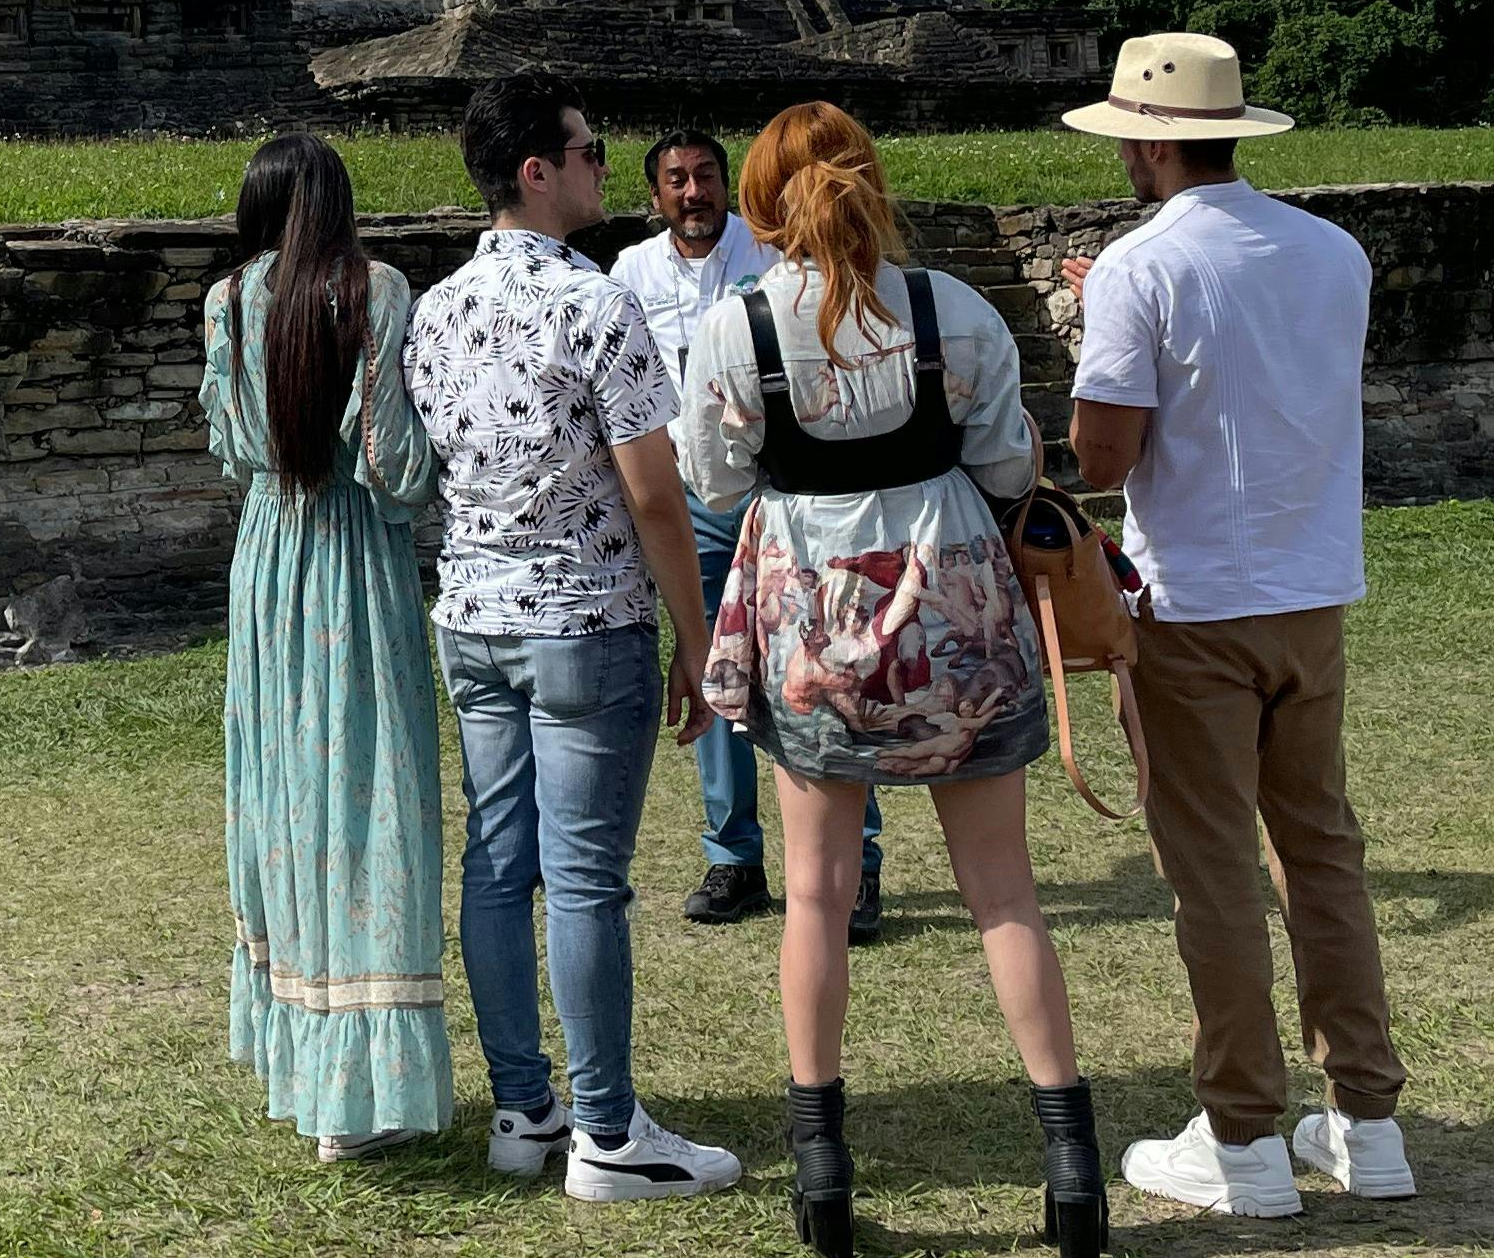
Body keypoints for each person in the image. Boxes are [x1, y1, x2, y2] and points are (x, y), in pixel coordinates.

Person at [683, 101, 1105, 1258]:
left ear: (761, 204)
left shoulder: (736, 327)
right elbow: (1008, 463)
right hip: (953, 611)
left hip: (814, 616)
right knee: (1005, 891)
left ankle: (822, 1166)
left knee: (815, 893)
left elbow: (714, 480)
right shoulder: (951, 309)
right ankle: (1071, 1163)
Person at [1059, 33, 1412, 1217]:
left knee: (1212, 872)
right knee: (1321, 852)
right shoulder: (1333, 249)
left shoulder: (1137, 264)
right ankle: (1366, 1116)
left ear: (1150, 143)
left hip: (1196, 600)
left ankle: (1245, 1134)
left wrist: (1096, 332)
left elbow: (1103, 455)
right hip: (1311, 589)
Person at [402, 74, 743, 1205]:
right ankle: (608, 1130)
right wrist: (697, 634)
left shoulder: (435, 308)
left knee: (499, 863)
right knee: (586, 879)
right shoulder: (597, 304)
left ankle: (524, 1106)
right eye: (591, 151)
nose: (607, 167)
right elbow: (656, 493)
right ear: (537, 170)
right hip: (584, 618)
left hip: (475, 614)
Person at [199, 133, 453, 1164]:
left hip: (269, 553)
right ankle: (362, 1091)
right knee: (367, 786)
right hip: (352, 554)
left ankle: (302, 1059)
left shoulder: (225, 300)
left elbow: (231, 447)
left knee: (285, 789)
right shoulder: (372, 288)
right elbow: (391, 461)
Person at [610, 130, 885, 937]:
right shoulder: (631, 272)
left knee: (828, 664)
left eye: (705, 176)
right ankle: (733, 854)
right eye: (676, 180)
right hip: (690, 497)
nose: (693, 191)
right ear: (655, 195)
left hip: (781, 488)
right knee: (712, 667)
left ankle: (858, 863)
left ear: (727, 185)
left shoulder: (769, 252)